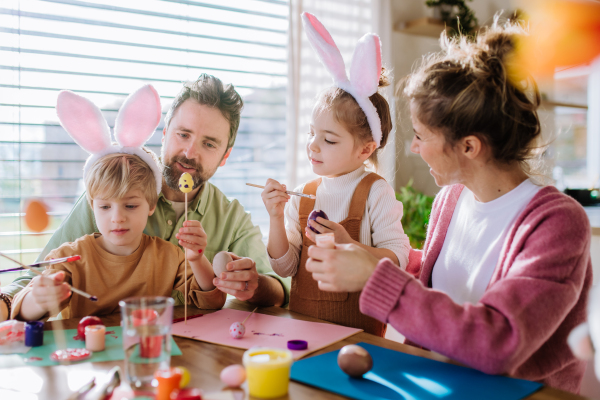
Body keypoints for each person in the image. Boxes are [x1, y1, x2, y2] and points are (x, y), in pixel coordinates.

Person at [304, 21, 593, 392]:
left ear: (469, 147)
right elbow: (440, 281)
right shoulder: (450, 199)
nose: (414, 148)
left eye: (421, 136)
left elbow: (497, 342)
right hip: (431, 382)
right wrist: (360, 251)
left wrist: (372, 278)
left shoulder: (557, 223)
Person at [0, 74, 288, 321]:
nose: (189, 152)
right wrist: (8, 304)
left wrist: (255, 285)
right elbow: (36, 277)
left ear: (225, 156)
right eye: (183, 134)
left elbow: (276, 289)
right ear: (164, 134)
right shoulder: (113, 192)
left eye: (209, 143)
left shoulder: (231, 217)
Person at [261, 13, 410, 337]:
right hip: (303, 333)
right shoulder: (303, 194)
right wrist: (275, 217)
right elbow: (284, 268)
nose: (313, 146)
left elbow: (398, 260)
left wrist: (348, 244)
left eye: (328, 139)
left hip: (361, 339)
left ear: (365, 149)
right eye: (311, 133)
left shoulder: (375, 192)